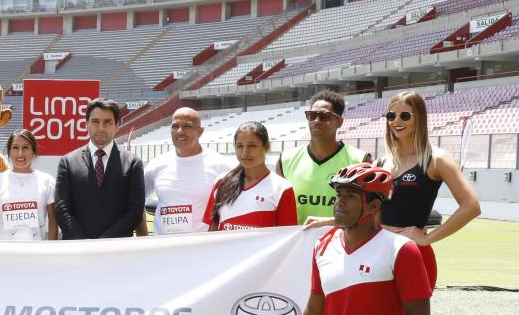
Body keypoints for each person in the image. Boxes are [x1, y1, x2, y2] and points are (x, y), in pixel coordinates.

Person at [296, 163, 431, 315]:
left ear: (374, 205)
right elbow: (314, 308)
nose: (339, 202)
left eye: (350, 196)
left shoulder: (401, 249)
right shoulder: (323, 246)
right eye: (338, 195)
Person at [376, 91, 480, 286]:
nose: (396, 121)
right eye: (391, 116)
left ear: (419, 119)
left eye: (405, 116)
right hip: (379, 252)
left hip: (413, 254)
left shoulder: (436, 159)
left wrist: (427, 239)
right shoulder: (382, 161)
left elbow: (471, 206)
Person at [55, 99, 145, 240]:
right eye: (95, 121)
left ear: (117, 125)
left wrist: (104, 242)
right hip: (78, 250)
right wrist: (85, 243)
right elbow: (62, 209)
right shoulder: (68, 162)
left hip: (116, 251)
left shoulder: (133, 163)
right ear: (87, 125)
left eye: (107, 122)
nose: (101, 128)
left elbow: (135, 212)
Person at [277, 90, 369, 224]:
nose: (316, 120)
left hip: (340, 244)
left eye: (324, 116)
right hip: (296, 243)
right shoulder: (285, 160)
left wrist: (329, 222)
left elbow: (369, 213)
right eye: (312, 115)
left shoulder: (360, 161)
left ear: (339, 122)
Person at [142, 107, 233, 235]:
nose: (180, 131)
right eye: (175, 126)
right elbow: (136, 203)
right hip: (164, 251)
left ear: (200, 131)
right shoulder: (156, 165)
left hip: (201, 251)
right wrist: (143, 237)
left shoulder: (222, 165)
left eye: (187, 126)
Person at [205, 122, 297, 230]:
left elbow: (286, 236)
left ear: (267, 146)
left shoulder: (282, 188)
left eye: (252, 146)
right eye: (240, 146)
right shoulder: (221, 182)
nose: (245, 153)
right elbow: (213, 228)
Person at [0, 128, 57, 241]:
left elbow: (53, 221)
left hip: (35, 253)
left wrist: (52, 250)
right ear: (9, 151)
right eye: (15, 148)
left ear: (33, 151)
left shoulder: (47, 181)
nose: (20, 153)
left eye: (25, 147)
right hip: (4, 254)